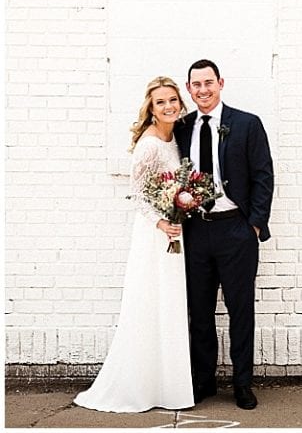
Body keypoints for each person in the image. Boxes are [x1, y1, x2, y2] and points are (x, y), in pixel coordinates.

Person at [74, 76, 194, 412]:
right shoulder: (150, 143)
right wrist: (161, 222)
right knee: (149, 303)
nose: (169, 106)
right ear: (151, 108)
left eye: (172, 99)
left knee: (169, 306)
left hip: (174, 231)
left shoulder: (177, 138)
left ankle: (169, 387)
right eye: (161, 102)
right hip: (154, 234)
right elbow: (138, 193)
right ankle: (139, 385)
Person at [174, 59, 274, 410]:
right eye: (196, 85)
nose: (203, 90)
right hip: (196, 230)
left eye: (208, 83)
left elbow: (264, 176)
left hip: (236, 229)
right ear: (189, 89)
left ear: (220, 83)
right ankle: (203, 381)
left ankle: (242, 383)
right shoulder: (182, 127)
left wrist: (255, 225)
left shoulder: (246, 124)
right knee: (198, 311)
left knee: (240, 310)